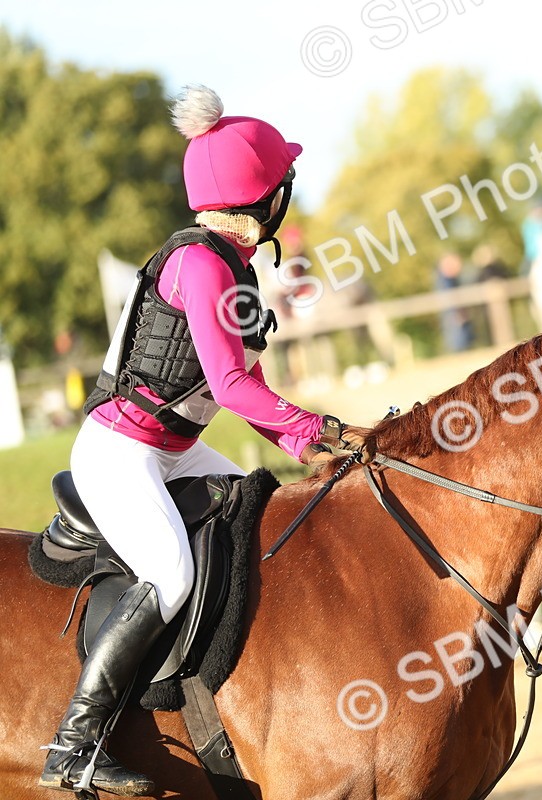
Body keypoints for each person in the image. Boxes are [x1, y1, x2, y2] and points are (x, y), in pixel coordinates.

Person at [38, 85, 373, 796]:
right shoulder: (199, 265)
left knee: (268, 514)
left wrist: (306, 450)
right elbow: (230, 388)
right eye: (282, 185)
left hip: (176, 444)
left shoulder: (235, 267)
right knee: (172, 575)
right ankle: (73, 745)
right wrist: (321, 426)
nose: (287, 195)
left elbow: (243, 390)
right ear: (262, 196)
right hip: (121, 451)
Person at [434, 252, 472, 353]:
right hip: (455, 320)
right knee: (459, 346)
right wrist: (458, 314)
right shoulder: (446, 281)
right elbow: (450, 301)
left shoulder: (449, 280)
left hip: (455, 319)